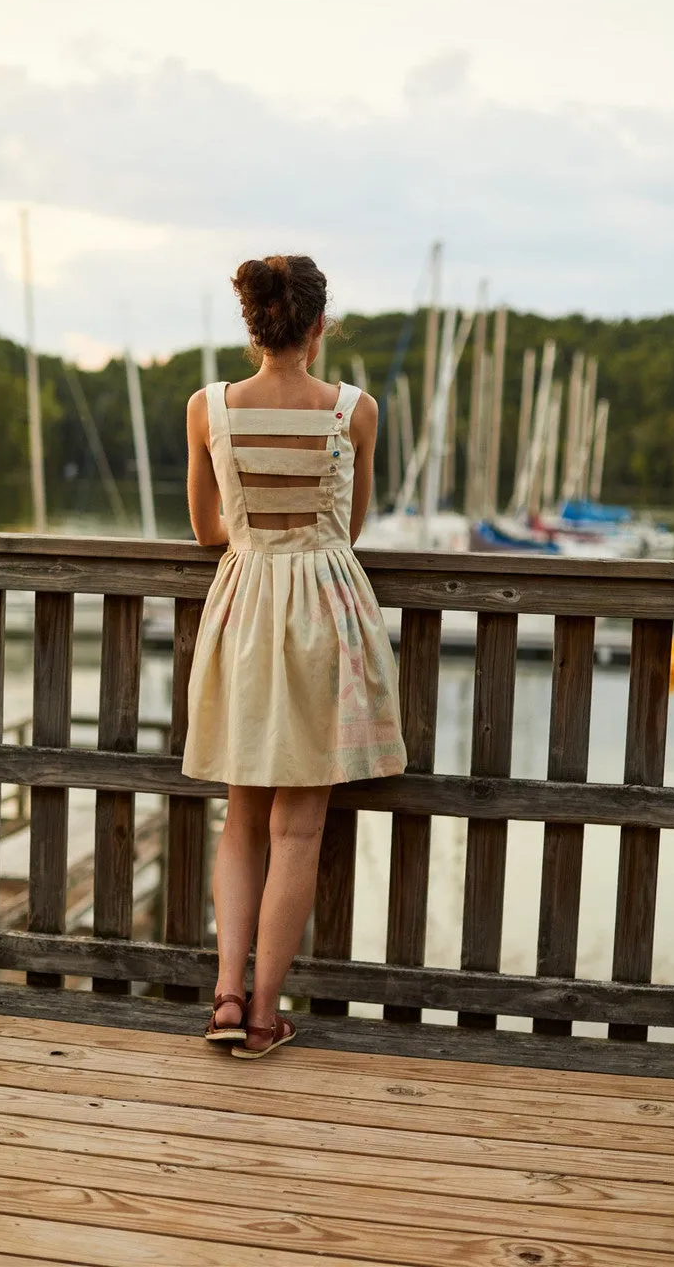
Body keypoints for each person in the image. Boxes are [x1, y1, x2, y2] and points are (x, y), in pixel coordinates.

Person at [182, 253, 407, 1058]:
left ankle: (226, 999)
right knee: (298, 827)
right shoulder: (354, 409)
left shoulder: (209, 407)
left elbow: (207, 532)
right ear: (318, 327)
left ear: (254, 328)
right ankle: (268, 1012)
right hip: (322, 615)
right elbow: (350, 528)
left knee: (240, 817)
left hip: (244, 610)